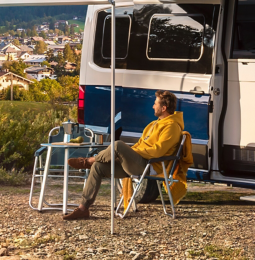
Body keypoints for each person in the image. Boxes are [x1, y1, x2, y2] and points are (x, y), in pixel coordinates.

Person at [62, 90, 183, 220]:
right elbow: (139, 145)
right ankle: (83, 208)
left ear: (163, 108)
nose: (153, 106)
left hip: (150, 166)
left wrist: (131, 152)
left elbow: (157, 151)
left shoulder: (172, 127)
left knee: (118, 145)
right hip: (138, 163)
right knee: (98, 166)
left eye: (155, 104)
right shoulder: (153, 124)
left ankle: (88, 161)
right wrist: (127, 154)